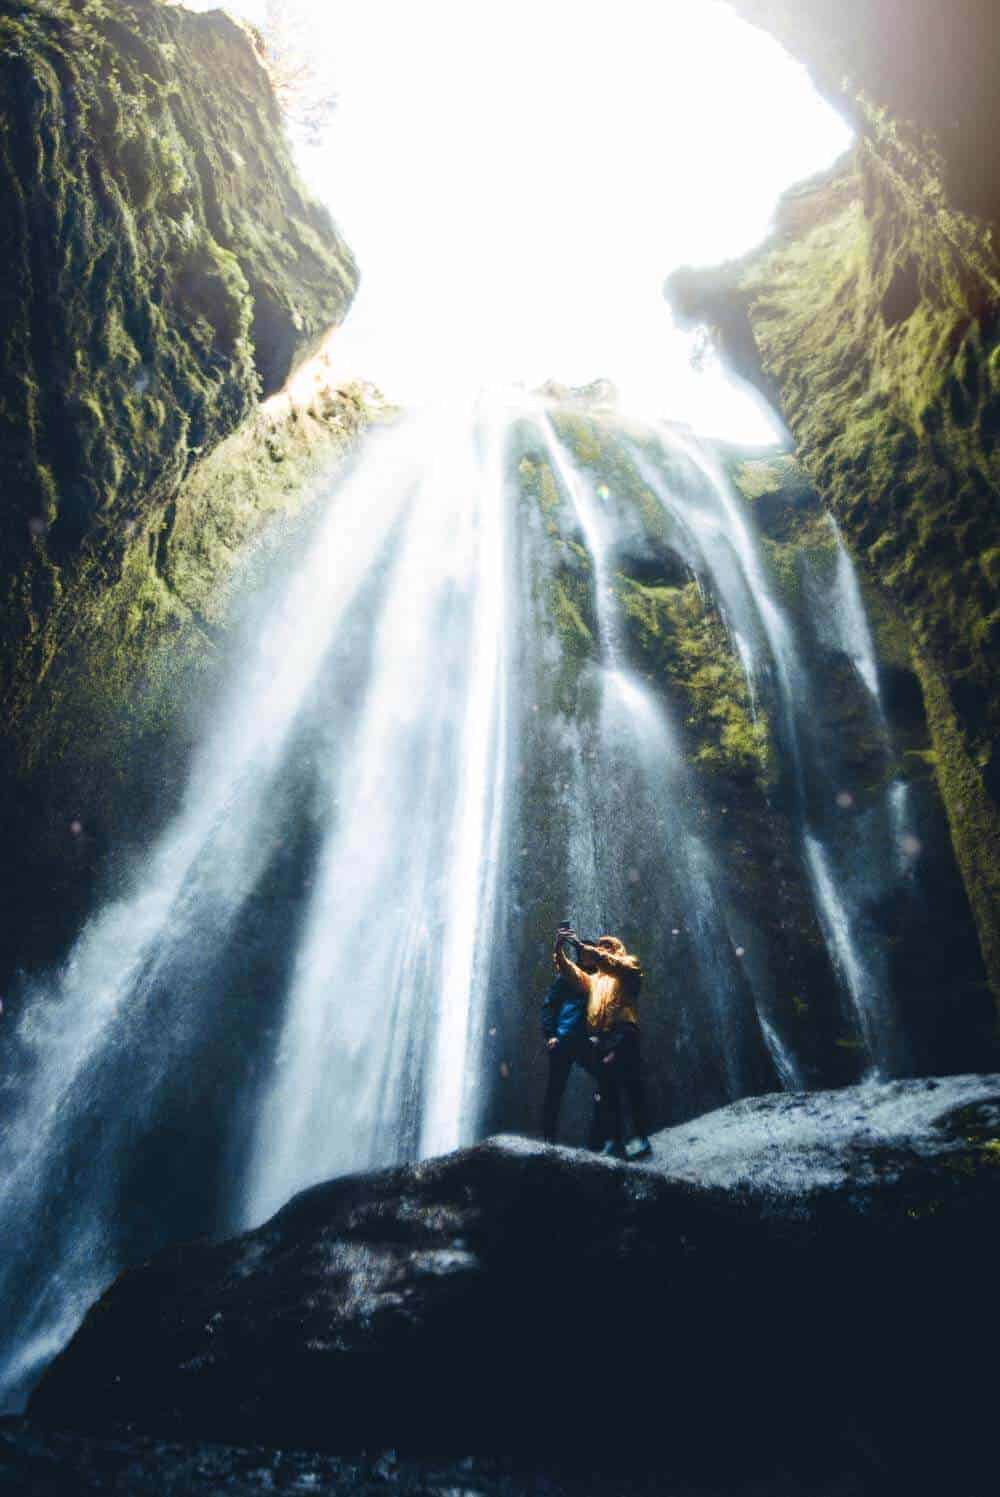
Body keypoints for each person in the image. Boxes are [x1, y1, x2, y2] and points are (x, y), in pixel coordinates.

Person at [555, 931, 652, 1159]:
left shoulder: (629, 967)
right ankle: (614, 1140)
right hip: (602, 1037)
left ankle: (640, 1137)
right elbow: (573, 974)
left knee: (631, 1085)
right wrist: (559, 951)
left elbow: (613, 964)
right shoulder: (596, 980)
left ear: (616, 949)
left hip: (624, 1033)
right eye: (599, 947)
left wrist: (586, 948)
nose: (601, 949)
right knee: (607, 1089)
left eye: (606, 946)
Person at [540, 932, 603, 1146]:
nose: (588, 955)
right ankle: (548, 1140)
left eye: (591, 952)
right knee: (554, 1090)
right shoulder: (566, 977)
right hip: (564, 1039)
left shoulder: (601, 980)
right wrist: (550, 1035)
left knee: (606, 1081)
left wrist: (602, 1037)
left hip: (587, 1041)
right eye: (584, 951)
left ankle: (597, 1138)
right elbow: (549, 1006)